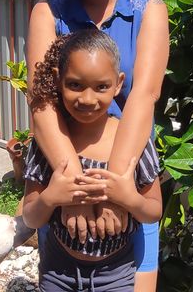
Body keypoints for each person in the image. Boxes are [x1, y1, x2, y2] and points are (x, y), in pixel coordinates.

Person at [26, 0, 169, 290]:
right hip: (67, 188)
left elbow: (145, 97)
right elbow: (41, 104)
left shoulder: (147, 11)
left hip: (129, 182)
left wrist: (113, 191)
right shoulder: (48, 14)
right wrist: (76, 191)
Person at [22, 30, 162, 291]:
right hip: (58, 271)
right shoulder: (47, 143)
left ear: (119, 84)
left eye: (101, 87)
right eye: (75, 85)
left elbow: (154, 210)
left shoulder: (134, 143)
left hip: (116, 274)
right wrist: (51, 197)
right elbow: (30, 217)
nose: (87, 99)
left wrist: (128, 198)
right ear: (58, 79)